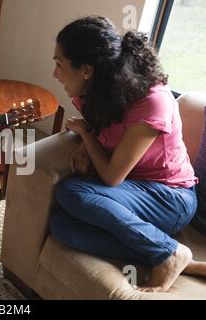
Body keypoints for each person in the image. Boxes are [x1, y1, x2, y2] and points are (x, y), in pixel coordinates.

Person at [49, 16, 206, 292]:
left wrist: (86, 135)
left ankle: (169, 253)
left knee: (71, 192)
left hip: (170, 198)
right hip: (133, 192)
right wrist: (89, 143)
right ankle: (176, 256)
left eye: (59, 64)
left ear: (86, 70)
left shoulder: (151, 102)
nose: (55, 74)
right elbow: (103, 131)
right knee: (62, 225)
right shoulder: (92, 92)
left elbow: (111, 177)